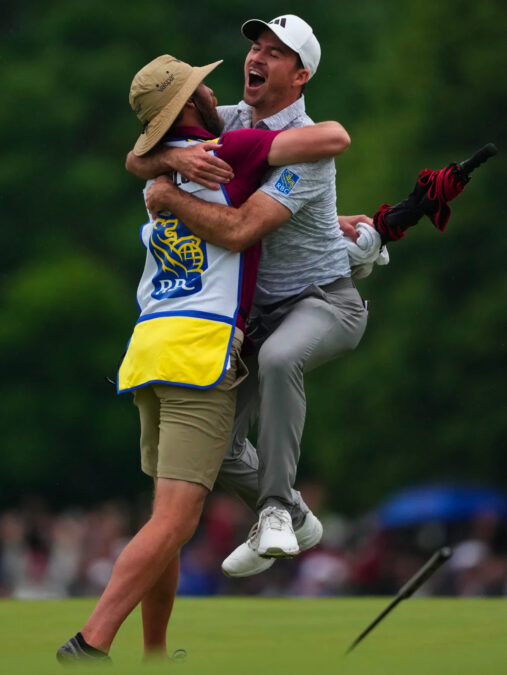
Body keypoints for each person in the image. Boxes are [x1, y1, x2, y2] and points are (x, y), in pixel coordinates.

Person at [56, 54, 351, 663]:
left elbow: (140, 160)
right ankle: (91, 643)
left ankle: (157, 653)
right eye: (201, 84)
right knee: (173, 524)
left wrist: (159, 165)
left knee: (163, 520)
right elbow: (331, 140)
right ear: (190, 103)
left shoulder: (154, 177)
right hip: (201, 353)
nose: (214, 88)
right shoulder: (233, 145)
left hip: (148, 352)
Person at [128, 15, 369, 579]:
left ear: (301, 74)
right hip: (252, 320)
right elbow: (136, 157)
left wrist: (166, 191)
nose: (255, 58)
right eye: (255, 47)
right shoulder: (229, 119)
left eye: (275, 53)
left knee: (282, 358)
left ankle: (277, 509)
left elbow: (238, 231)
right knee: (221, 448)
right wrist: (171, 159)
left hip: (324, 301)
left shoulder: (307, 145)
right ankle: (299, 519)